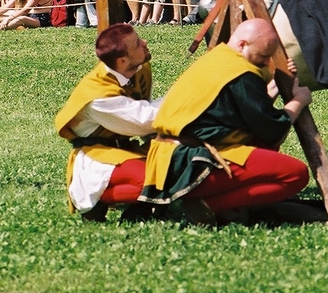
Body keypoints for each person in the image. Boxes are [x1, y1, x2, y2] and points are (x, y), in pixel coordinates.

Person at [137, 19, 311, 223]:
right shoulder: (240, 74)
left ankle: (225, 204)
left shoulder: (219, 59)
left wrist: (276, 81)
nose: (265, 62)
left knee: (262, 147)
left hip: (169, 156)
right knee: (295, 174)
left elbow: (251, 109)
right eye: (263, 56)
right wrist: (299, 101)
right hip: (189, 162)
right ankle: (205, 206)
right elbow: (271, 129)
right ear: (242, 44)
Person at [55, 24, 160, 221]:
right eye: (137, 44)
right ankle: (100, 200)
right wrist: (185, 100)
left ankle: (142, 206)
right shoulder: (98, 97)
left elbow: (146, 109)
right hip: (98, 157)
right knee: (154, 179)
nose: (144, 43)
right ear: (122, 60)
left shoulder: (139, 68)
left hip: (126, 149)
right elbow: (145, 120)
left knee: (173, 165)